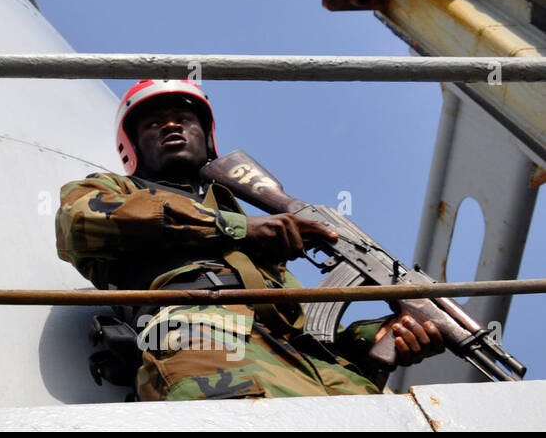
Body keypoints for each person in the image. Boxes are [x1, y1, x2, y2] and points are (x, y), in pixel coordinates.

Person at [56, 79, 444, 401]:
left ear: (207, 139)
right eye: (154, 123)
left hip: (314, 369)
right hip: (205, 341)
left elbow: (305, 331)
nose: (171, 126)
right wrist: (242, 229)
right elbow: (81, 219)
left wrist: (375, 337)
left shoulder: (244, 214)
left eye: (183, 119)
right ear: (133, 146)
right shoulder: (114, 189)